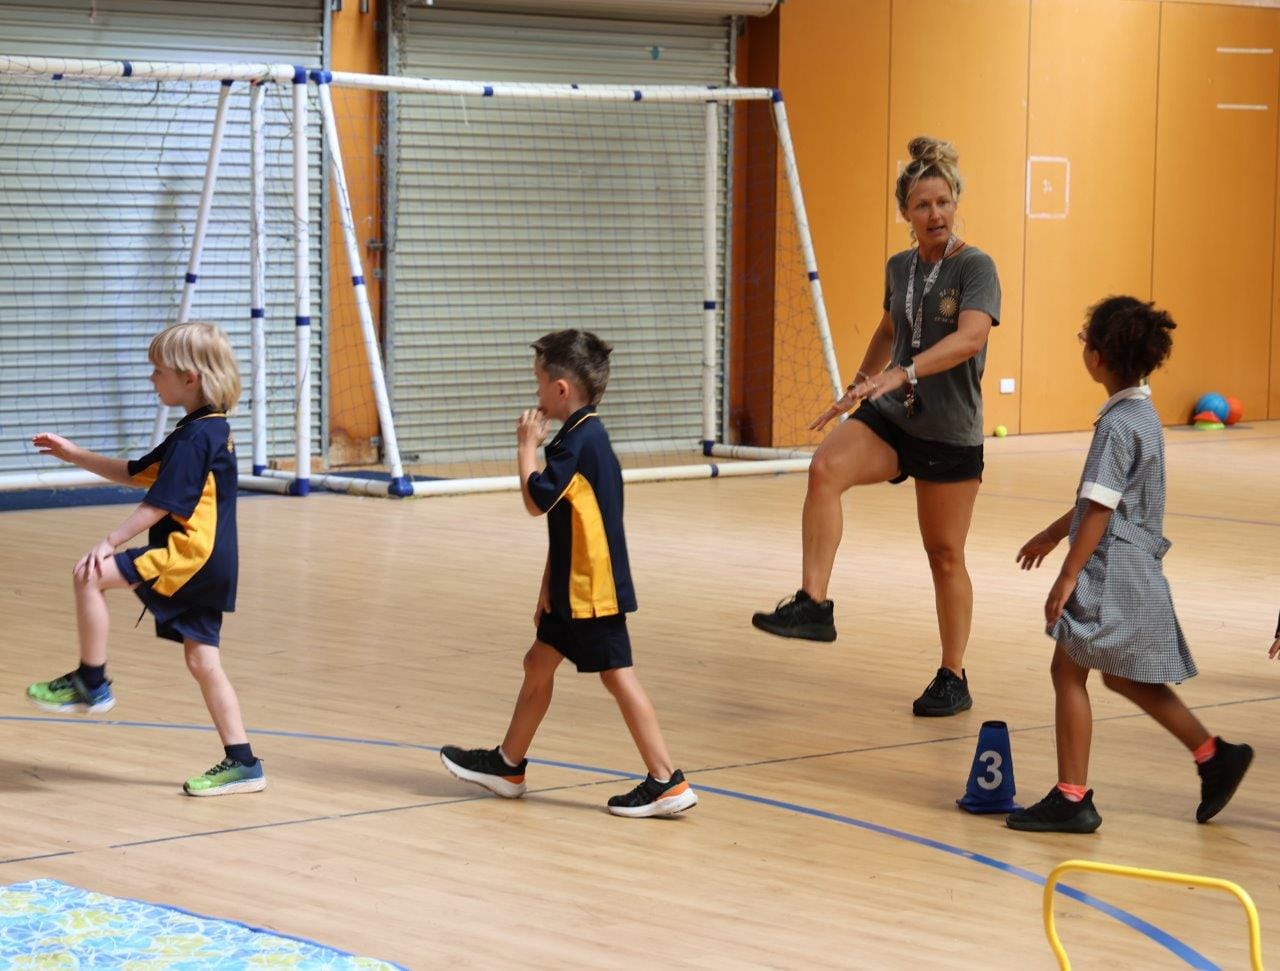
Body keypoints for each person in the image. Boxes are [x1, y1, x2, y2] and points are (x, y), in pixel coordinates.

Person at [752, 136, 1000, 717]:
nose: (934, 214)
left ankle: (953, 674)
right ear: (905, 214)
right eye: (922, 206)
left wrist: (900, 373)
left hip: (947, 429)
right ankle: (814, 604)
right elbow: (890, 327)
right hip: (893, 417)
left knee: (944, 555)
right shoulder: (900, 267)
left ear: (955, 201)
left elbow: (970, 338)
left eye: (942, 202)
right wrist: (858, 384)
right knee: (824, 468)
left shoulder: (975, 266)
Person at [1007, 296, 1252, 833]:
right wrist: (1052, 535)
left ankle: (1073, 797)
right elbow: (1102, 498)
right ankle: (1213, 756)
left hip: (1110, 566)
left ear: (1096, 356)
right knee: (1117, 677)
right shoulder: (1141, 414)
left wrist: (1069, 571)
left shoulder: (1118, 424)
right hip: (1130, 561)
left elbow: (1098, 508)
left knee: (1067, 668)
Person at [440, 330, 697, 818]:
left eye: (539, 384)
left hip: (590, 590)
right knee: (538, 663)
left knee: (618, 677)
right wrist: (546, 583)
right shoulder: (585, 438)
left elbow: (537, 501)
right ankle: (507, 765)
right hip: (570, 586)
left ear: (560, 390)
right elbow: (571, 521)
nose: (535, 395)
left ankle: (666, 779)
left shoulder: (576, 445)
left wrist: (524, 448)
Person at [27, 322, 265, 798]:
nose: (152, 379)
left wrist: (109, 541)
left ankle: (91, 681)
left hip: (188, 558)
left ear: (190, 378)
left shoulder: (199, 437)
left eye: (158, 371)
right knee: (203, 661)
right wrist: (75, 455)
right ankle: (243, 761)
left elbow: (161, 503)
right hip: (210, 563)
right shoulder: (201, 430)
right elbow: (140, 474)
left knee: (89, 575)